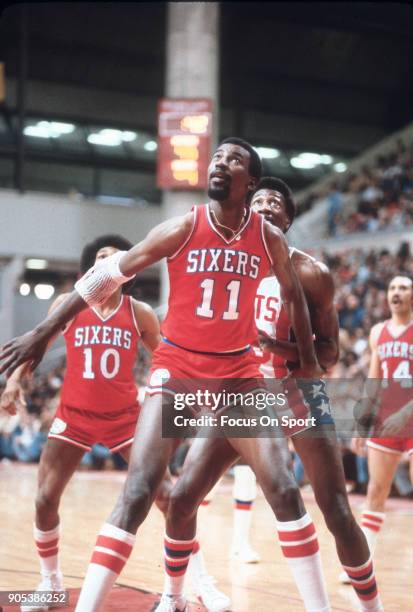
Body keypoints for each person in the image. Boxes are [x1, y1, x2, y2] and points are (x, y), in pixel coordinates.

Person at [0, 138, 325, 612]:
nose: (220, 163)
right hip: (178, 371)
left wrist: (310, 361)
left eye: (233, 159)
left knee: (283, 486)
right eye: (216, 157)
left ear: (249, 181)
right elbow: (105, 275)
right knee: (138, 491)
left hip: (238, 374)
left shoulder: (268, 238)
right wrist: (44, 330)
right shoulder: (183, 226)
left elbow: (294, 295)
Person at [160, 177, 383, 612]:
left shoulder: (309, 273)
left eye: (274, 201)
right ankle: (177, 596)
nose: (263, 205)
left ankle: (370, 607)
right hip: (241, 394)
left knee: (336, 509)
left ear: (288, 218)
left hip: (299, 390)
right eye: (257, 198)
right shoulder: (227, 264)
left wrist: (277, 346)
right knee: (184, 495)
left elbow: (330, 351)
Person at [0, 235, 228, 612]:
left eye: (116, 258)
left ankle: (201, 582)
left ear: (128, 270)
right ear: (91, 269)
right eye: (101, 257)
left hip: (125, 419)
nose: (108, 262)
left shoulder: (139, 312)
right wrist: (12, 382)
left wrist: (192, 396)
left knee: (170, 499)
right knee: (44, 498)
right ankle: (50, 582)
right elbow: (36, 346)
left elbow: (167, 358)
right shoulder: (67, 305)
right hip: (74, 416)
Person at [348, 275, 413, 576]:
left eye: (403, 287)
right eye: (392, 288)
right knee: (376, 490)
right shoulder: (377, 333)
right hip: (386, 419)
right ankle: (363, 565)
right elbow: (373, 382)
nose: (396, 292)